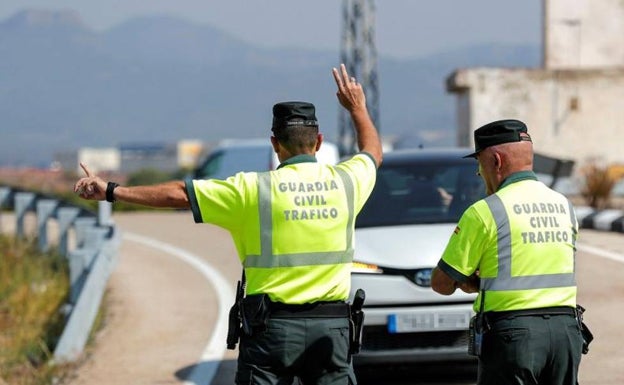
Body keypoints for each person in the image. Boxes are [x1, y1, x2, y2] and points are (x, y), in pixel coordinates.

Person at [74, 63, 382, 385]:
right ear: (318, 141)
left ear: (275, 143)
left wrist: (111, 191)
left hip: (271, 331)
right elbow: (372, 152)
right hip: (331, 330)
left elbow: (179, 194)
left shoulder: (250, 190)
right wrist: (357, 108)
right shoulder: (348, 182)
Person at [430, 119, 584, 385]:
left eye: (480, 164)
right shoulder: (564, 206)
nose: (480, 173)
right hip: (566, 334)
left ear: (496, 161)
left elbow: (442, 284)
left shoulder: (486, 211)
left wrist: (472, 282)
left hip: (514, 337)